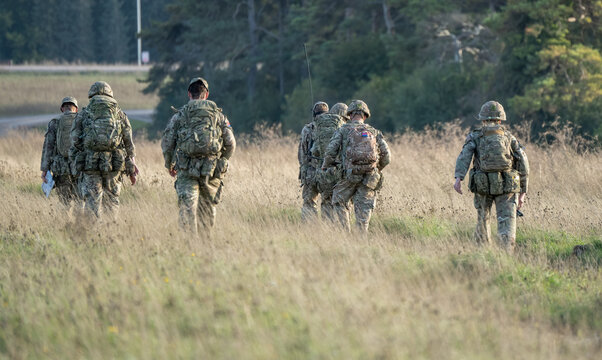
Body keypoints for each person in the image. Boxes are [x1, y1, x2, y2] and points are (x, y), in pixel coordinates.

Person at [161, 77, 236, 235]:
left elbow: (167, 144)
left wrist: (169, 164)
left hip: (186, 169)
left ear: (189, 94)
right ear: (206, 94)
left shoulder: (180, 115)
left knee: (187, 207)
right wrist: (222, 161)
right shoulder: (218, 116)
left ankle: (189, 245)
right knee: (208, 207)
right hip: (211, 169)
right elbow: (231, 143)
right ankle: (205, 243)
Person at [454, 100, 529, 252]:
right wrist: (523, 191)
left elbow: (464, 156)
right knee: (507, 224)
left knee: (483, 219)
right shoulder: (509, 137)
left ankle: (483, 254)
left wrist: (458, 178)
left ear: (482, 119)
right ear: (500, 119)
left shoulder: (475, 136)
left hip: (483, 186)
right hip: (507, 187)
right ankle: (505, 257)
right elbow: (523, 161)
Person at [69, 81, 139, 221]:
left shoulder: (84, 113)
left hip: (90, 164)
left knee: (92, 200)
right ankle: (110, 230)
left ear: (91, 94)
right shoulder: (119, 113)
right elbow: (129, 143)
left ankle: (92, 232)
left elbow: (74, 139)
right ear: (110, 94)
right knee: (112, 199)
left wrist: (83, 152)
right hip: (114, 163)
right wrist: (132, 165)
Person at [322, 100, 391, 232]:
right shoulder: (374, 132)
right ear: (365, 115)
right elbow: (387, 157)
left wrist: (326, 165)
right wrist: (376, 168)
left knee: (338, 200)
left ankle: (345, 232)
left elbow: (331, 151)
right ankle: (361, 239)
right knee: (364, 210)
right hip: (369, 177)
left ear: (350, 114)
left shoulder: (343, 130)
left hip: (349, 175)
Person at [40, 97, 80, 211]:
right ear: (76, 109)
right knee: (79, 199)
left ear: (62, 108)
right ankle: (81, 224)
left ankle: (64, 225)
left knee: (64, 201)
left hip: (61, 168)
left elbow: (48, 147)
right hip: (79, 166)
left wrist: (44, 170)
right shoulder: (81, 121)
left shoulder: (54, 123)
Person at [311, 102, 348, 221]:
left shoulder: (317, 127)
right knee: (342, 202)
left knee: (326, 201)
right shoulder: (346, 129)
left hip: (324, 171)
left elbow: (314, 151)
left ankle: (328, 231)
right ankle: (343, 230)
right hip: (341, 172)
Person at [298, 101, 328, 221]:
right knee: (327, 202)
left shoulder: (307, 129)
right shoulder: (334, 128)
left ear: (314, 114)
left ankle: (311, 230)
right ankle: (329, 229)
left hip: (311, 171)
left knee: (309, 202)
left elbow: (302, 153)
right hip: (327, 172)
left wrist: (303, 168)